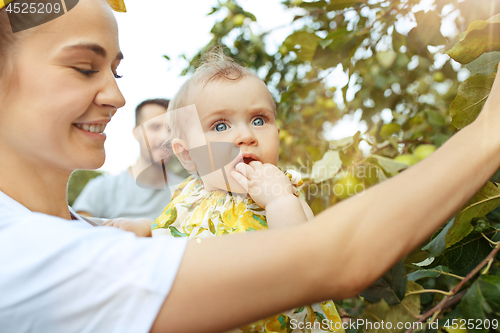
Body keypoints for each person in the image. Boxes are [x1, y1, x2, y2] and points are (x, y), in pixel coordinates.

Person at [2, 1, 500, 332]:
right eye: (84, 67)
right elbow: (328, 258)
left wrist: (280, 198)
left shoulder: (74, 240)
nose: (116, 94)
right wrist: (486, 134)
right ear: (185, 153)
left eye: (116, 70)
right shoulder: (27, 255)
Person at [152, 49, 343, 332]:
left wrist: (279, 201)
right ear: (188, 154)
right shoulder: (186, 196)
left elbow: (303, 256)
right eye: (220, 125)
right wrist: (143, 229)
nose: (246, 136)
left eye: (259, 120)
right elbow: (169, 237)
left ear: (277, 135)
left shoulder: (281, 191)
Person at [72, 98, 185, 221]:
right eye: (155, 127)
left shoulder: (187, 192)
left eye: (171, 129)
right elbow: (79, 233)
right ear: (136, 133)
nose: (165, 137)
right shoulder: (101, 189)